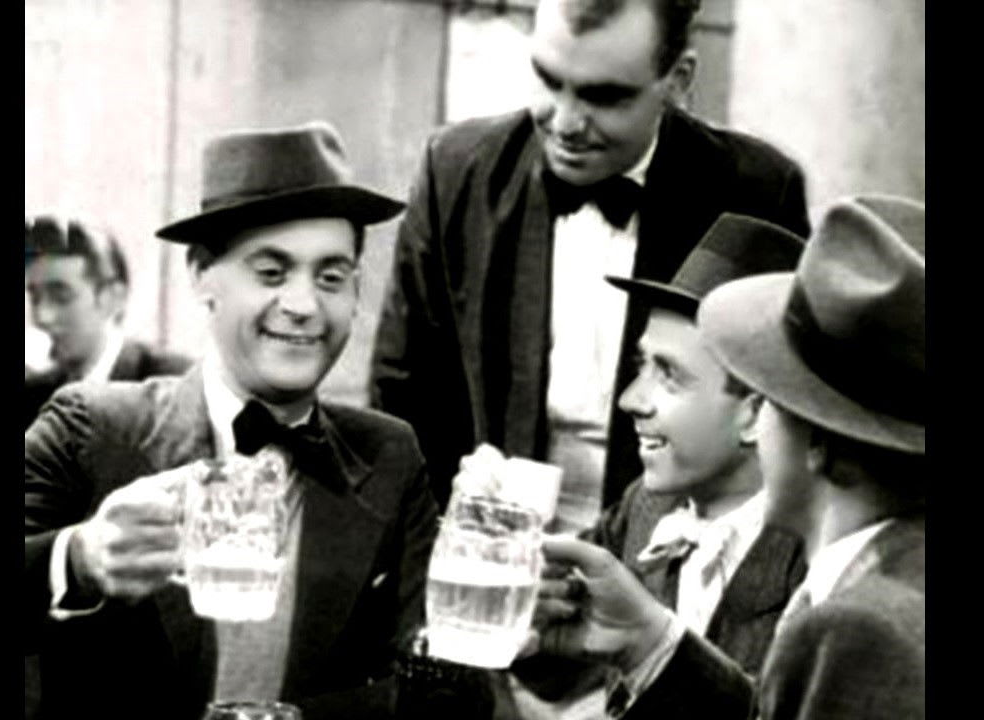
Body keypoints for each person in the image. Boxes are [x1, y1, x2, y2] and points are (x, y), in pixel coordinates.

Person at [25, 123, 484, 720]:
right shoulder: (90, 428)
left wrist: (472, 596)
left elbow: (444, 699)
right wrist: (79, 558)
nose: (303, 305)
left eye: (331, 277)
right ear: (201, 275)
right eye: (271, 272)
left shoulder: (389, 456)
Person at [371, 0, 811, 526]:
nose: (565, 123)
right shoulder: (455, 173)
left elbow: (783, 423)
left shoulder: (757, 192)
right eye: (548, 79)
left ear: (677, 79)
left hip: (675, 548)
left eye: (605, 97)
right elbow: (403, 403)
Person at [534, 195, 925, 719]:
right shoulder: (887, 575)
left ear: (814, 434)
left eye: (775, 399)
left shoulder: (865, 628)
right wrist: (648, 643)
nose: (631, 399)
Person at [510, 213, 808, 716]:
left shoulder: (819, 558)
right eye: (639, 366)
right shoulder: (646, 506)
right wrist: (527, 612)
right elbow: (558, 674)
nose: (629, 399)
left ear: (756, 413)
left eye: (668, 374)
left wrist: (651, 644)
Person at [24, 215, 192, 429]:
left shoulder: (176, 385)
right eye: (35, 298)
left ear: (113, 298)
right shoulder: (33, 395)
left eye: (61, 297)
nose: (42, 317)